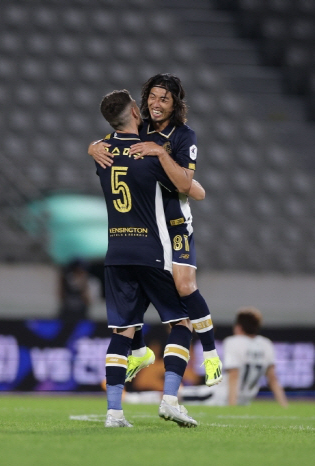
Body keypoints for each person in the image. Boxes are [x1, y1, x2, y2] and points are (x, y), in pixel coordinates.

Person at [89, 74, 222, 387]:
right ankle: (139, 352)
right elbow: (111, 142)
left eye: (164, 98)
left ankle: (212, 355)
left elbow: (188, 186)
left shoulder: (184, 136)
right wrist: (92, 147)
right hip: (148, 228)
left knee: (185, 284)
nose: (156, 103)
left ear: (175, 103)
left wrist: (162, 154)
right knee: (141, 293)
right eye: (152, 96)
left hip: (175, 223)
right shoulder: (140, 127)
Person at [96, 89, 198, 428]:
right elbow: (187, 187)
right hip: (151, 250)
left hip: (115, 252)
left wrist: (93, 144)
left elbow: (105, 143)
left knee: (123, 330)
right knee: (181, 322)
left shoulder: (102, 152)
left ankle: (113, 413)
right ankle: (170, 399)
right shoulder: (149, 153)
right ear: (136, 114)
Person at [182, 307, 288, 407]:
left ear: (239, 327)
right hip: (245, 400)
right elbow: (272, 379)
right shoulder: (266, 344)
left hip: (222, 396)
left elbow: (234, 375)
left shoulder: (234, 342)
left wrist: (232, 405)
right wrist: (284, 405)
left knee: (176, 394)